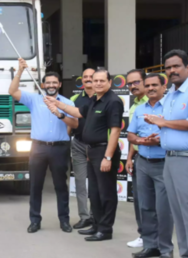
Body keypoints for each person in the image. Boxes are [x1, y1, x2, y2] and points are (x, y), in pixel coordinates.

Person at [46, 69, 123, 241]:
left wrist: (108, 157)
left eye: (102, 81)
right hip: (92, 150)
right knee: (94, 192)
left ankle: (106, 229)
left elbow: (115, 131)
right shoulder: (94, 100)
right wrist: (57, 104)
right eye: (95, 80)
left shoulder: (113, 101)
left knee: (106, 193)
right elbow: (77, 112)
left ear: (109, 82)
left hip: (104, 152)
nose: (97, 83)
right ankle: (96, 225)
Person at [9, 58, 78, 233]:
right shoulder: (34, 99)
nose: (51, 85)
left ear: (60, 84)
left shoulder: (67, 103)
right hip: (38, 148)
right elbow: (13, 91)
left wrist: (59, 114)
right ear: (43, 84)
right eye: (48, 82)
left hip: (60, 148)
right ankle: (35, 221)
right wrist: (20, 71)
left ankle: (64, 220)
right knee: (36, 185)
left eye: (55, 82)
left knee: (61, 186)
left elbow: (75, 124)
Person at [145, 50, 188, 258]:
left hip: (185, 158)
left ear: (186, 67)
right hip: (170, 157)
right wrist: (160, 130)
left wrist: (163, 122)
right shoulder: (171, 94)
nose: (172, 71)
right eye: (168, 68)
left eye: (176, 66)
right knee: (178, 212)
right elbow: (170, 125)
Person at [127, 73, 174, 258]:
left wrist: (159, 141)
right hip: (143, 162)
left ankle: (165, 249)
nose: (151, 88)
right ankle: (150, 245)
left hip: (163, 163)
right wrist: (139, 140)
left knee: (163, 210)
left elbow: (176, 132)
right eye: (148, 85)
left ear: (164, 86)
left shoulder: (170, 108)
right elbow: (130, 134)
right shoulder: (139, 109)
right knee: (145, 206)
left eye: (155, 85)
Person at [70, 68, 95, 229]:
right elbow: (70, 120)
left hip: (98, 146)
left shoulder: (105, 99)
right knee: (80, 183)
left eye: (91, 77)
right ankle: (84, 217)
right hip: (78, 144)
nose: (87, 79)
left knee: (96, 184)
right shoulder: (74, 99)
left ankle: (95, 216)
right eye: (85, 77)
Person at [125, 69, 148, 249]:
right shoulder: (135, 106)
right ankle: (143, 234)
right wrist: (130, 158)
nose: (133, 86)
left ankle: (158, 237)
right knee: (139, 200)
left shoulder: (154, 103)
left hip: (155, 158)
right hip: (139, 157)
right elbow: (133, 136)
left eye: (136, 82)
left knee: (154, 202)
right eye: (130, 83)